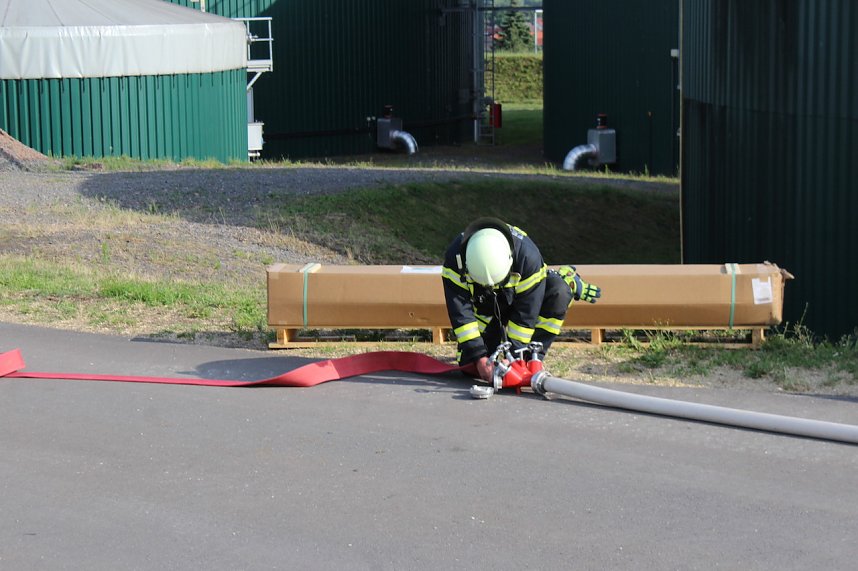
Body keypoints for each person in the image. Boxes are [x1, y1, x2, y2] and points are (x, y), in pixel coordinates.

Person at [441, 217, 601, 382]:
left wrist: (516, 358)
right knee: (471, 367)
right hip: (485, 306)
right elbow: (461, 313)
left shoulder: (527, 258)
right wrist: (478, 355)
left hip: (520, 297)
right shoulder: (455, 258)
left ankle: (533, 357)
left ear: (510, 260)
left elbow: (526, 316)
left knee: (558, 292)